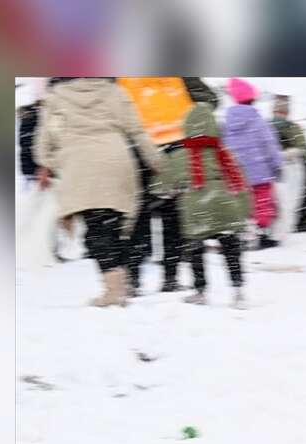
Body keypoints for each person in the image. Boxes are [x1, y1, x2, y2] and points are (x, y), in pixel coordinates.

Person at [36, 77, 161, 306]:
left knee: (96, 230)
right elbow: (136, 131)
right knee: (114, 226)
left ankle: (113, 290)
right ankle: (121, 286)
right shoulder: (115, 91)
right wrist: (156, 162)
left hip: (80, 166)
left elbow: (47, 137)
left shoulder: (56, 98)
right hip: (116, 160)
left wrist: (46, 163)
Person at [117, 77, 218, 294]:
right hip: (176, 147)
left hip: (138, 148)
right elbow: (209, 99)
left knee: (139, 215)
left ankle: (133, 280)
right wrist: (191, 119)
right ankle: (169, 277)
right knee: (173, 215)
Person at [154, 103, 252, 309]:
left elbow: (162, 183)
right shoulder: (225, 153)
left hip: (196, 209)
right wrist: (244, 213)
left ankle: (200, 290)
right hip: (225, 206)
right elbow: (242, 184)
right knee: (231, 249)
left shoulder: (178, 155)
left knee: (196, 250)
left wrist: (167, 190)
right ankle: (238, 291)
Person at [222, 78, 284, 250]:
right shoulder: (259, 122)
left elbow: (222, 147)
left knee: (240, 203)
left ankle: (242, 233)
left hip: (235, 174)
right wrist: (277, 165)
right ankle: (261, 234)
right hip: (260, 172)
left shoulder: (226, 123)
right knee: (262, 203)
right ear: (252, 99)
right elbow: (270, 145)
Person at [271, 94, 306, 233]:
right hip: (271, 165)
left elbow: (305, 151)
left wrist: (293, 153)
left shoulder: (293, 128)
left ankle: (305, 217)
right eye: (277, 111)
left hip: (293, 165)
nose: (279, 114)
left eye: (282, 111)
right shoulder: (265, 127)